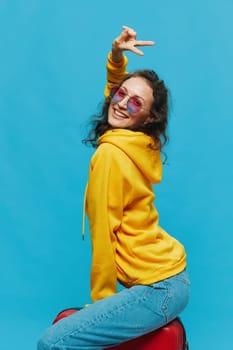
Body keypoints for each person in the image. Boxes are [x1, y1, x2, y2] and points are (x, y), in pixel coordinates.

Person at [38, 25, 190, 350]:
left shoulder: (111, 154)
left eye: (135, 103)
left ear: (148, 117)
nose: (121, 104)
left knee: (52, 344)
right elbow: (120, 101)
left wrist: (102, 301)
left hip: (158, 287)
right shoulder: (140, 141)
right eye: (121, 94)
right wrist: (117, 58)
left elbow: (104, 234)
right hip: (172, 281)